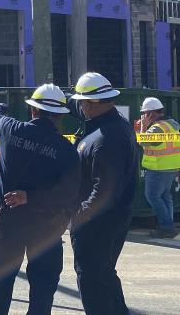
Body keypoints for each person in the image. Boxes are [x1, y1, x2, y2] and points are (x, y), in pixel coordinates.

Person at [0, 84, 81, 315]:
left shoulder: (10, 129)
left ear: (33, 111)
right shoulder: (66, 151)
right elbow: (69, 193)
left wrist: (3, 104)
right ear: (59, 117)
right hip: (47, 229)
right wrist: (32, 198)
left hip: (9, 225)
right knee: (43, 289)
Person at [67, 72, 140, 315]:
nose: (80, 107)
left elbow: (105, 191)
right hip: (108, 221)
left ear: (90, 103)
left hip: (97, 224)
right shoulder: (110, 124)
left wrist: (79, 218)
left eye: (82, 102)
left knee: (93, 282)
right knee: (104, 276)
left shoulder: (106, 139)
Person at [138, 97, 180, 238]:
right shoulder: (173, 125)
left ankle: (166, 227)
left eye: (145, 113)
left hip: (158, 168)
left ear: (152, 113)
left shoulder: (157, 128)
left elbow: (144, 143)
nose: (143, 116)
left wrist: (143, 127)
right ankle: (169, 224)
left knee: (152, 196)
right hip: (171, 168)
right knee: (165, 196)